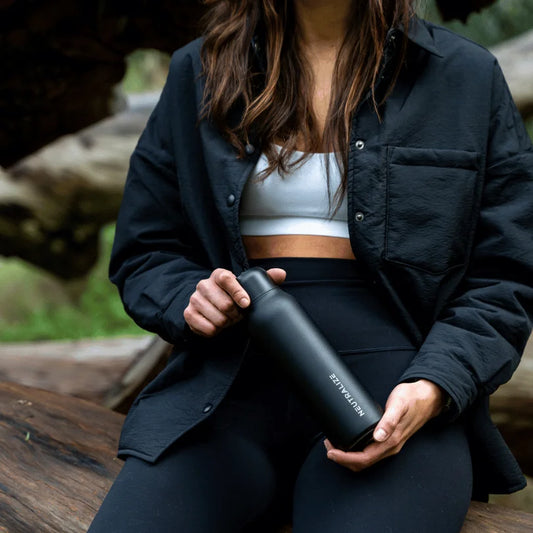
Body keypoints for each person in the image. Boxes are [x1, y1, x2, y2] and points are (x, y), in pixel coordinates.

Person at [88, 1, 533, 532]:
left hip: (393, 409)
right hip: (224, 398)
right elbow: (146, 245)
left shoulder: (464, 74)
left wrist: (435, 385)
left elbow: (507, 272)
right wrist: (188, 296)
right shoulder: (200, 70)